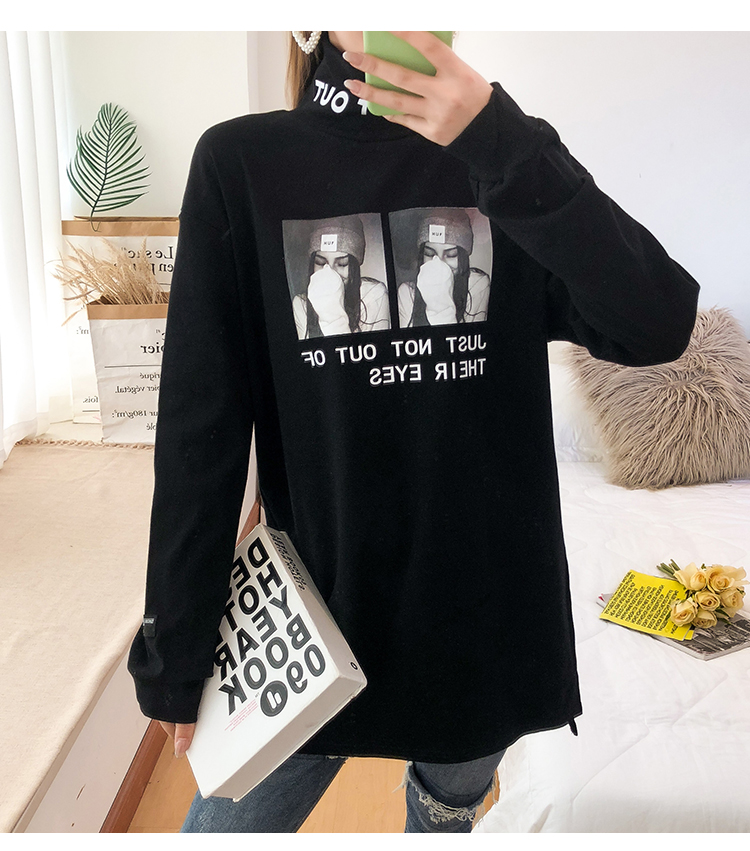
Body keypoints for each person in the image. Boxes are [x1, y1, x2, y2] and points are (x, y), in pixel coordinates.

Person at [128, 31, 700, 833]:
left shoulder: (503, 155)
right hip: (311, 624)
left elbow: (659, 323)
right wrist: (175, 643)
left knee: (442, 819)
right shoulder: (242, 163)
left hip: (483, 620)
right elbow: (200, 426)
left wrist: (500, 139)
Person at [290, 214, 390, 338]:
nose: (330, 272)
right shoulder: (301, 304)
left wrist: (333, 318)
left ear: (354, 267)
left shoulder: (374, 295)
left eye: (342, 264)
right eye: (320, 263)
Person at [396, 207, 490, 327]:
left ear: (463, 257)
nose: (439, 263)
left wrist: (442, 310)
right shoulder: (408, 293)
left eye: (451, 255)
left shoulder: (477, 284)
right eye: (430, 254)